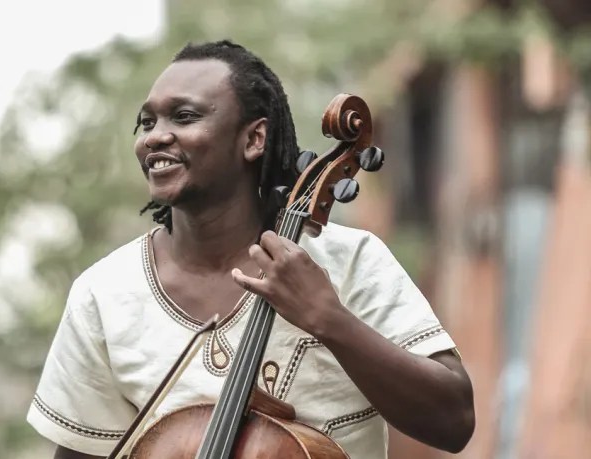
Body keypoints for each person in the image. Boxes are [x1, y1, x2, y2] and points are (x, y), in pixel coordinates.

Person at [27, 40, 475, 459]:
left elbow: (454, 421)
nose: (155, 137)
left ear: (254, 139)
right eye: (148, 123)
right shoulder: (103, 294)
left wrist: (330, 319)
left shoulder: (350, 260)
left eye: (184, 116)